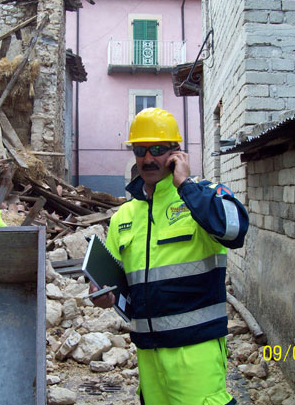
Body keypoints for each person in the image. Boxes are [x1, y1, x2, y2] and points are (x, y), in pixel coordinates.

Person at [89, 107, 248, 405]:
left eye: (158, 150)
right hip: (148, 354)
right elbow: (116, 281)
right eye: (141, 150)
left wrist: (185, 186)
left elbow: (234, 230)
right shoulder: (124, 216)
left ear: (177, 153)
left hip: (195, 351)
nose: (148, 159)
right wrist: (102, 293)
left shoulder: (203, 196)